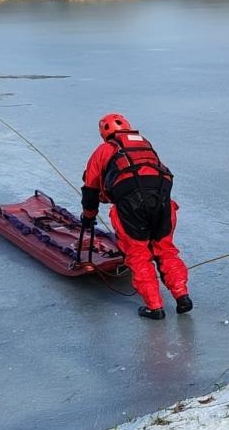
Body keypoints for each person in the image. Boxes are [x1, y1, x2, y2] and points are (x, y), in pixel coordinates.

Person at [82, 113, 192, 320]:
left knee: (138, 254)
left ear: (104, 133)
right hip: (162, 201)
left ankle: (155, 307)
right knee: (165, 250)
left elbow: (90, 187)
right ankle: (182, 296)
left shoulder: (105, 149)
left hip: (131, 205)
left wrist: (88, 216)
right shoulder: (144, 144)